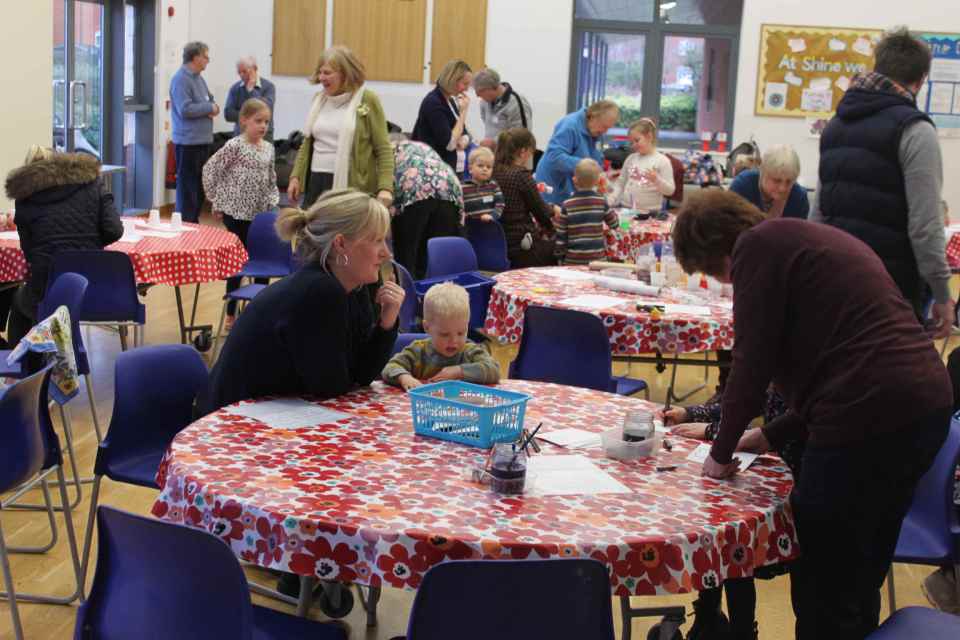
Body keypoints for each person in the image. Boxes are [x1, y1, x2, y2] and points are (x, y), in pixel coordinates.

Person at [671, 189, 952, 640]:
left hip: (865, 421)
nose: (726, 281)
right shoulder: (807, 240)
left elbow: (751, 364)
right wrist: (768, 435)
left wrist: (718, 456)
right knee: (857, 572)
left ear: (717, 249)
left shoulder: (755, 248)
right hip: (922, 407)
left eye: (714, 272)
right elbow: (842, 366)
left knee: (821, 578)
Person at [205, 188, 403, 414]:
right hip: (231, 420)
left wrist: (386, 322)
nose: (386, 253)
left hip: (271, 412)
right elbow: (331, 387)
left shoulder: (354, 285)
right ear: (340, 244)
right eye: (377, 241)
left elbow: (362, 374)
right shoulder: (320, 291)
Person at [811, 27, 952, 327]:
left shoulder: (835, 126)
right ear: (921, 80)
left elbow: (817, 215)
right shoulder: (916, 130)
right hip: (888, 290)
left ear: (877, 67)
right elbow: (925, 227)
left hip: (833, 283)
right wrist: (942, 293)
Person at [3, 146, 123, 345]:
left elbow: (30, 253)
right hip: (94, 287)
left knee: (19, 302)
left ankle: (22, 361)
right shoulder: (92, 182)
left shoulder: (25, 195)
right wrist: (90, 244)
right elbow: (114, 230)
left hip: (47, 288)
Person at [202, 98, 279, 331]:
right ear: (244, 120)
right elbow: (211, 169)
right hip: (235, 213)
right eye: (258, 121)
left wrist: (273, 204)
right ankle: (231, 313)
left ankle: (259, 311)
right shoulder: (234, 145)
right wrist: (215, 199)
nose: (263, 126)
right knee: (238, 261)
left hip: (260, 213)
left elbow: (271, 179)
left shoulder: (269, 148)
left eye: (266, 122)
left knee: (262, 259)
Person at [287, 46, 394, 210]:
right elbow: (306, 144)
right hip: (316, 181)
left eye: (327, 73)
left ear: (345, 73)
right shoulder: (318, 100)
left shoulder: (368, 100)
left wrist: (385, 187)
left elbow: (383, 149)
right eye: (320, 72)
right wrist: (296, 177)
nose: (321, 78)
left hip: (352, 185)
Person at [382, 282, 500, 391]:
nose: (454, 341)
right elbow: (390, 367)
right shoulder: (418, 351)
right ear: (427, 327)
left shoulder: (470, 351)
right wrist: (404, 377)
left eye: (461, 333)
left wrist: (459, 372)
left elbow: (494, 370)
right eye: (445, 334)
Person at [390, 134, 464, 280]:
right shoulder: (421, 146)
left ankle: (408, 290)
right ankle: (431, 290)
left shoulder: (390, 149)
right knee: (435, 256)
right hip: (449, 190)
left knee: (407, 254)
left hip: (416, 189)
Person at [494, 128, 558, 268]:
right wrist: (555, 210)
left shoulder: (492, 171)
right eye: (531, 152)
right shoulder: (521, 175)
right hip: (522, 245)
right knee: (560, 247)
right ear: (523, 151)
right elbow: (542, 212)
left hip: (496, 243)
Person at [534, 99, 619, 205]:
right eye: (604, 127)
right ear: (593, 116)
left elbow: (596, 158)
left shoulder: (595, 131)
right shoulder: (569, 125)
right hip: (554, 185)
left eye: (608, 128)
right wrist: (586, 166)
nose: (604, 132)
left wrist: (601, 175)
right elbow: (554, 157)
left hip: (574, 185)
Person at [170, 41, 219, 224]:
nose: (208, 60)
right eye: (205, 56)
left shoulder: (199, 78)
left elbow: (210, 100)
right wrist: (209, 108)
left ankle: (193, 222)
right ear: (195, 57)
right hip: (188, 143)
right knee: (188, 188)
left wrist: (211, 106)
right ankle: (185, 224)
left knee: (198, 188)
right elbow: (185, 109)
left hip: (202, 141)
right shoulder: (181, 80)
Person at [411, 59, 473, 171]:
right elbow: (449, 144)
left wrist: (463, 140)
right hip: (432, 167)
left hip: (447, 166)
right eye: (465, 84)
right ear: (452, 80)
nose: (467, 89)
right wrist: (463, 112)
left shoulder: (450, 100)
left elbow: (464, 132)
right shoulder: (433, 103)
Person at [555, 158, 618, 265]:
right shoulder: (601, 202)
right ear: (597, 181)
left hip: (573, 260)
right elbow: (614, 224)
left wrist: (559, 255)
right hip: (597, 261)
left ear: (574, 180)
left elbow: (561, 234)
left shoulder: (567, 204)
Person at [607, 118, 675, 212]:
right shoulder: (631, 158)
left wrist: (657, 180)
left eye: (637, 140)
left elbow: (670, 191)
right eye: (631, 142)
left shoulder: (662, 161)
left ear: (649, 137)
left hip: (650, 212)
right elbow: (620, 183)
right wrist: (610, 200)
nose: (634, 145)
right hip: (626, 209)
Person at [729, 145, 808, 219]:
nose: (782, 188)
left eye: (789, 181)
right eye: (777, 180)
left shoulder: (799, 197)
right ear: (762, 172)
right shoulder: (742, 187)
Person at [472, 68, 533, 149]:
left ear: (491, 88)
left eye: (480, 91)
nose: (477, 95)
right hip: (493, 152)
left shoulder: (516, 102)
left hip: (513, 153)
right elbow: (487, 123)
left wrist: (495, 142)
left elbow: (523, 136)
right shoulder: (484, 102)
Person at [223, 56, 276, 141]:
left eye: (244, 71)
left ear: (255, 68)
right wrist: (251, 117)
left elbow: (266, 109)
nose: (241, 75)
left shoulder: (269, 87)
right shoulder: (235, 88)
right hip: (241, 136)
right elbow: (228, 114)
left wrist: (251, 90)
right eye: (239, 72)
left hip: (263, 137)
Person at [461, 147, 504, 223]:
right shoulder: (462, 187)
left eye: (488, 167)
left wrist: (493, 216)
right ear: (470, 169)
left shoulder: (493, 185)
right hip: (470, 226)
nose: (485, 169)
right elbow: (459, 207)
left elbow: (500, 204)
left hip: (490, 225)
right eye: (480, 166)